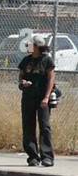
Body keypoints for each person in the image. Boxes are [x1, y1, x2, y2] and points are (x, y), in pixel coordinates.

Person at [19, 33, 56, 168]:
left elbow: (51, 79)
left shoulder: (47, 60)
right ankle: (33, 157)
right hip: (28, 97)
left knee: (44, 126)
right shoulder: (26, 60)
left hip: (42, 98)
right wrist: (23, 83)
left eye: (30, 44)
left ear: (36, 47)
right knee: (28, 126)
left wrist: (46, 97)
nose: (28, 46)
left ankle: (47, 157)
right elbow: (21, 76)